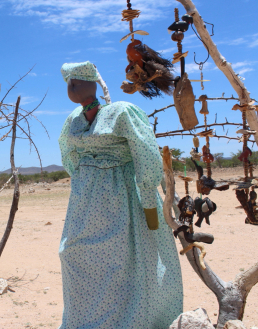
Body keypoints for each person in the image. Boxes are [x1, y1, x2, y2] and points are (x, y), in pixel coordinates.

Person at [58, 61, 183, 329]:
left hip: (122, 196)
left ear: (91, 84)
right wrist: (83, 180)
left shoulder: (122, 112)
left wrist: (149, 199)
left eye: (77, 81)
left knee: (123, 262)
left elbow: (145, 151)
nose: (72, 87)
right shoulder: (73, 120)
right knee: (73, 254)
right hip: (85, 203)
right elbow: (68, 155)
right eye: (70, 83)